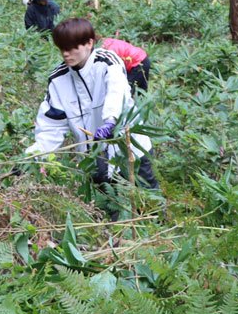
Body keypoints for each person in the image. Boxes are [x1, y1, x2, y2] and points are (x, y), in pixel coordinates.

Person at [32, 18, 157, 189]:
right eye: (62, 48)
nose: (66, 54)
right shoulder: (58, 80)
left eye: (72, 48)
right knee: (108, 210)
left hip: (129, 149)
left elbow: (117, 90)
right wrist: (34, 156)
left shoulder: (107, 61)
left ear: (89, 43)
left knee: (148, 201)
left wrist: (111, 120)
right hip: (95, 160)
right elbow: (51, 126)